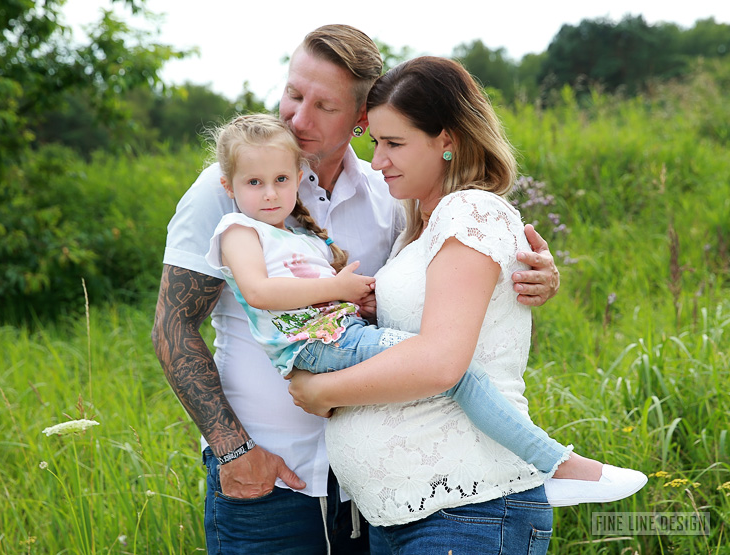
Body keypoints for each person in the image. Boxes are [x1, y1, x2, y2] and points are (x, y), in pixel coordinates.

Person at [152, 25, 561, 555]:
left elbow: (432, 285)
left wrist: (529, 272)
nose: (298, 118)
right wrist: (234, 451)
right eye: (293, 94)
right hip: (267, 482)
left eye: (324, 106)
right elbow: (173, 324)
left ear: (362, 116)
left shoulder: (387, 191)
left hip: (374, 495)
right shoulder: (228, 186)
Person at [287, 56, 647, 554]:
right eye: (376, 144)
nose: (379, 161)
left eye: (395, 144)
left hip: (468, 512)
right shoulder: (418, 229)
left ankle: (563, 465)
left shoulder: (470, 210)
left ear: (448, 140)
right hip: (408, 518)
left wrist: (321, 391)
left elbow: (440, 363)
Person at [203, 112, 647, 505]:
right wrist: (337, 287)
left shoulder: (303, 236)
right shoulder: (238, 229)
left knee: (443, 367)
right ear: (228, 186)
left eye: (281, 180)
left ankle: (547, 464)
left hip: (338, 338)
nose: (269, 193)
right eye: (254, 183)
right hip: (323, 346)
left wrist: (360, 301)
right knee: (453, 371)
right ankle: (554, 463)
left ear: (299, 177)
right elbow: (258, 292)